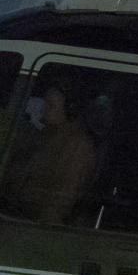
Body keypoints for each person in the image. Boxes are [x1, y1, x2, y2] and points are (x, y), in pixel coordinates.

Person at [2, 83, 98, 224]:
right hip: (16, 212)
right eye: (45, 103)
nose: (43, 109)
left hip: (32, 223)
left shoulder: (78, 145)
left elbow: (63, 198)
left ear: (70, 109)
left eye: (50, 105)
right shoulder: (45, 135)